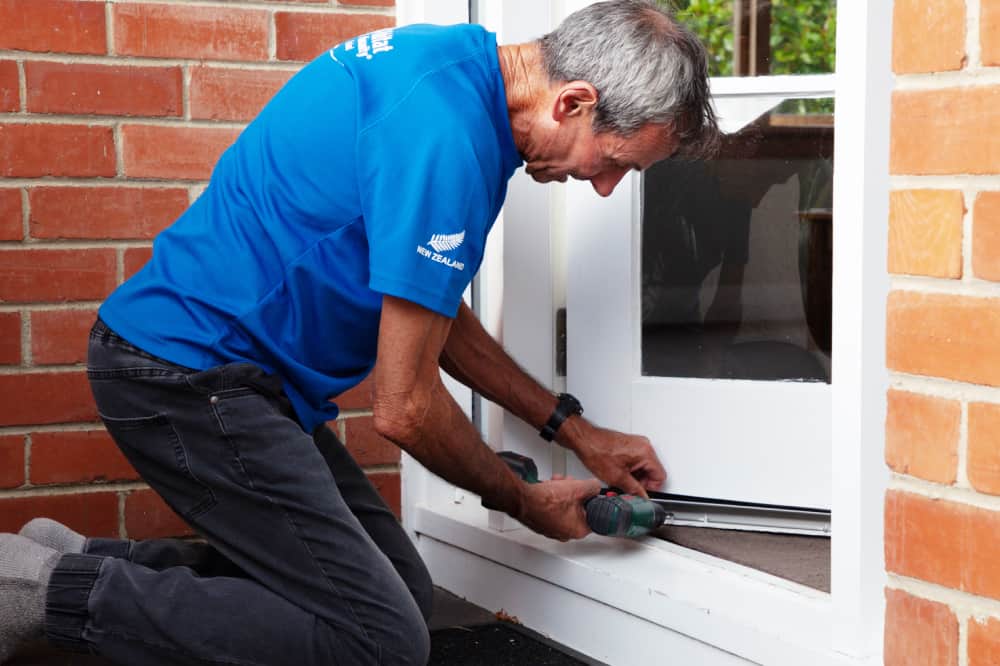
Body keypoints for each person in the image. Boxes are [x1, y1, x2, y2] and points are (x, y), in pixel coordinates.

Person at [0, 1, 717, 664]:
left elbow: (429, 305)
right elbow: (404, 408)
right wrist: (521, 501)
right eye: (617, 163)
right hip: (183, 378)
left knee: (398, 588)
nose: (604, 187)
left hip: (232, 378)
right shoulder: (448, 142)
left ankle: (70, 558)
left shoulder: (454, 63)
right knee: (379, 639)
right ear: (573, 103)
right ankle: (39, 593)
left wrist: (573, 431)